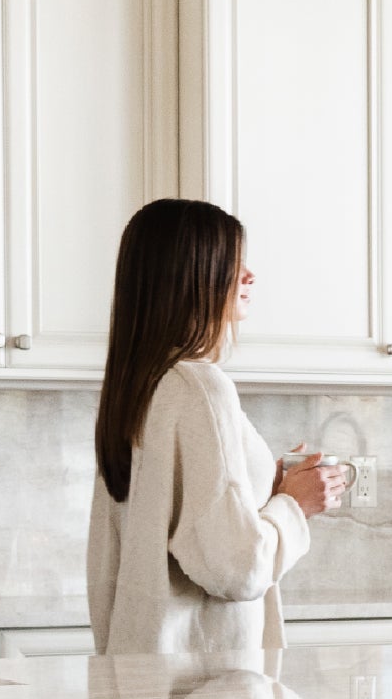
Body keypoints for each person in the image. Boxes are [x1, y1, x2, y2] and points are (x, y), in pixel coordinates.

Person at [86, 199, 345, 655]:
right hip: (202, 687)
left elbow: (181, 525)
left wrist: (269, 489)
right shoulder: (201, 389)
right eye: (232, 262)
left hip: (139, 674)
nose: (249, 275)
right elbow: (235, 567)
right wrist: (294, 506)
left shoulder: (141, 387)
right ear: (191, 275)